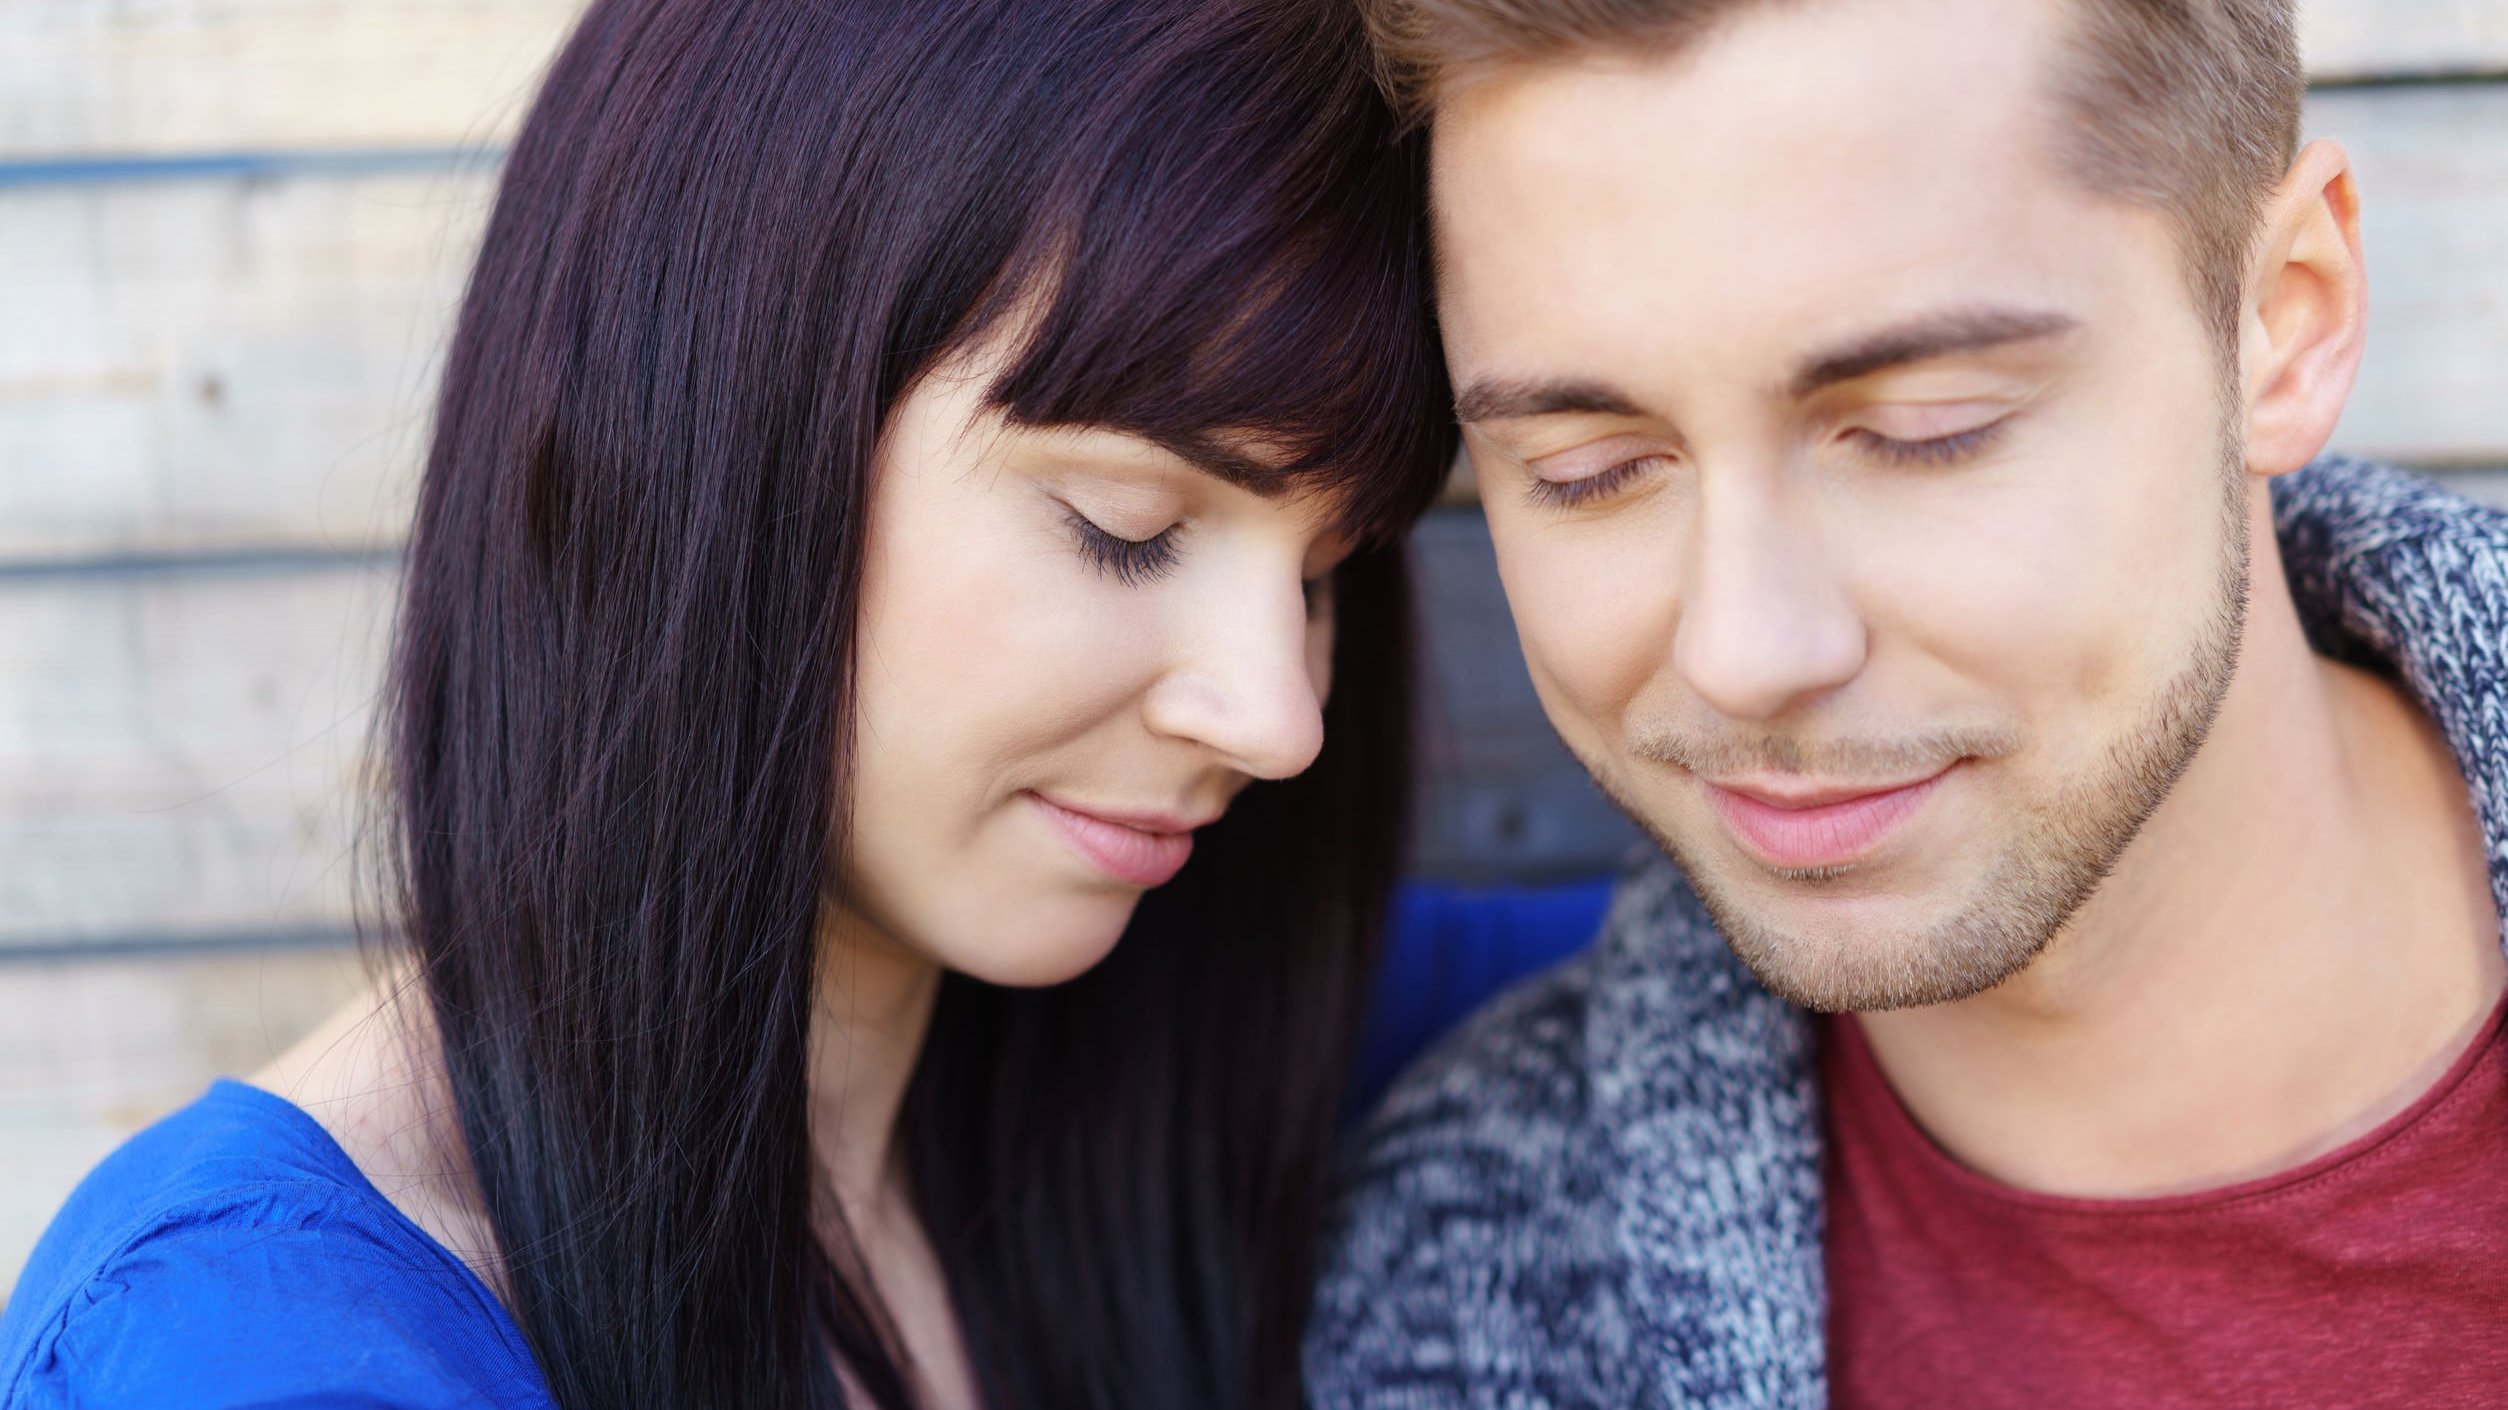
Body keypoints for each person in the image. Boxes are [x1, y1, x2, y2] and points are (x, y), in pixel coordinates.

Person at [0, 1, 1453, 1406]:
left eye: (1325, 575)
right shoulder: (249, 1353)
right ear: (717, 431)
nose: (1280, 720)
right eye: (1124, 525)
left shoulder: (1247, 1031)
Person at [1310, 0, 2508, 1405]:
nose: (1745, 649)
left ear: (2284, 322)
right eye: (1589, 469)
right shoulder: (1454, 1288)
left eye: (1920, 434)